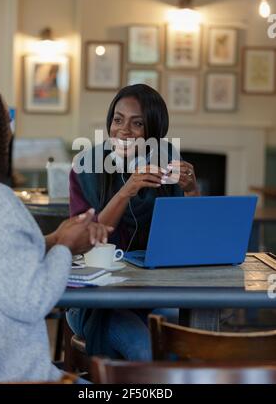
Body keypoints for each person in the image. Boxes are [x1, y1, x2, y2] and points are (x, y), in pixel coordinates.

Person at [0, 71, 113, 382]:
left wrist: (52, 240)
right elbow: (32, 300)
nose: (9, 128)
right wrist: (66, 248)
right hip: (16, 376)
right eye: (3, 117)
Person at [67, 84, 200, 360]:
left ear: (154, 132)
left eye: (137, 124)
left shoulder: (168, 163)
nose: (123, 131)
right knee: (144, 349)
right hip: (94, 303)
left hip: (151, 295)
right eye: (118, 120)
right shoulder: (86, 166)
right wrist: (127, 190)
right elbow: (83, 243)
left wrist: (191, 190)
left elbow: (190, 243)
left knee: (197, 340)